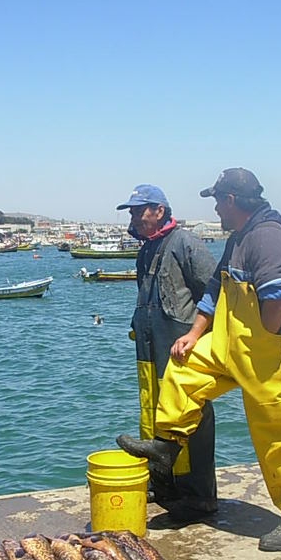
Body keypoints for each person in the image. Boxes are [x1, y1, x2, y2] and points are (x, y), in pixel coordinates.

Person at [117, 169, 281, 551]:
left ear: (231, 201)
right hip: (233, 341)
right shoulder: (239, 237)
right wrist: (194, 335)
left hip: (275, 351)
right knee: (185, 368)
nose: (215, 210)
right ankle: (168, 444)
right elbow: (214, 289)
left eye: (217, 202)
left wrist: (261, 343)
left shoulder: (268, 237)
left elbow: (276, 300)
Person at [115, 184, 217, 520]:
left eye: (138, 211)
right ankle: (164, 485)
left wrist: (196, 335)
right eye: (131, 212)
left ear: (160, 210)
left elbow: (215, 292)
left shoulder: (185, 243)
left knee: (190, 415)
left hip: (180, 349)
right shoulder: (146, 249)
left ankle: (198, 495)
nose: (133, 217)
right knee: (154, 412)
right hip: (149, 349)